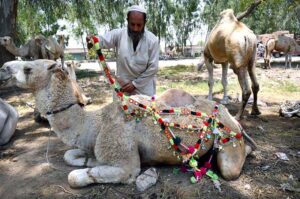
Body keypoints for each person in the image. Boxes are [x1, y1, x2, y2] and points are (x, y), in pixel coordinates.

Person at [87, 5, 159, 97]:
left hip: (144, 90)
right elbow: (102, 40)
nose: (135, 29)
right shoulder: (118, 34)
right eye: (132, 24)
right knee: (121, 111)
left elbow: (153, 68)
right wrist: (92, 40)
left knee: (144, 111)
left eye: (139, 25)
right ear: (127, 21)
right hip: (122, 88)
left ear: (145, 23)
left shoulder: (153, 40)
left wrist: (135, 84)